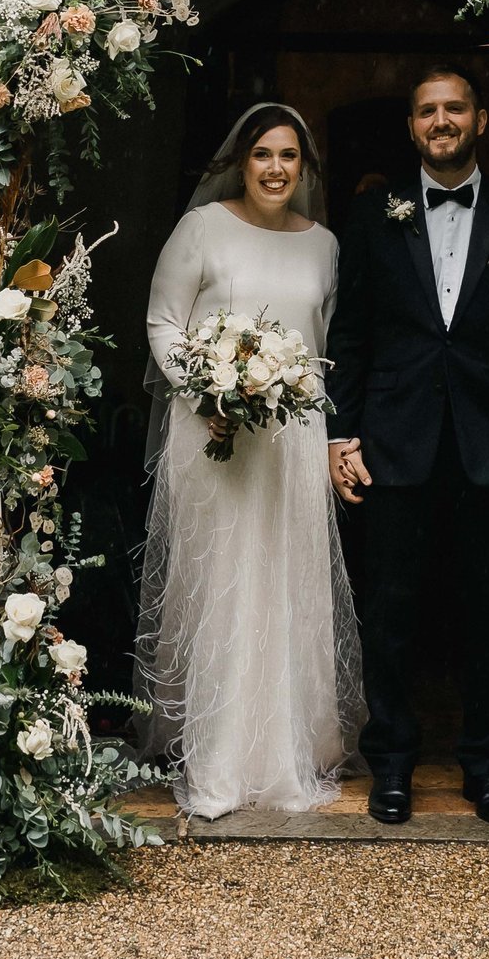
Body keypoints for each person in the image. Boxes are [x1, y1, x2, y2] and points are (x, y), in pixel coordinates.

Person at [326, 65, 489, 826]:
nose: (442, 121)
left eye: (455, 108)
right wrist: (340, 434)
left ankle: (487, 770)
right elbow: (351, 337)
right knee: (391, 615)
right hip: (394, 448)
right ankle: (391, 766)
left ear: (480, 120)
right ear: (411, 128)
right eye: (428, 111)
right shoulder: (371, 219)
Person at [136, 104, 364, 818]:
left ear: (305, 167)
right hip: (214, 435)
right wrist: (203, 388)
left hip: (294, 439)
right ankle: (218, 754)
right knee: (223, 583)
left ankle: (290, 747)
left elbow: (329, 346)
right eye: (263, 154)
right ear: (241, 161)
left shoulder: (324, 245)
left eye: (289, 156)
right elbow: (163, 322)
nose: (274, 168)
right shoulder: (203, 228)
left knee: (290, 584)